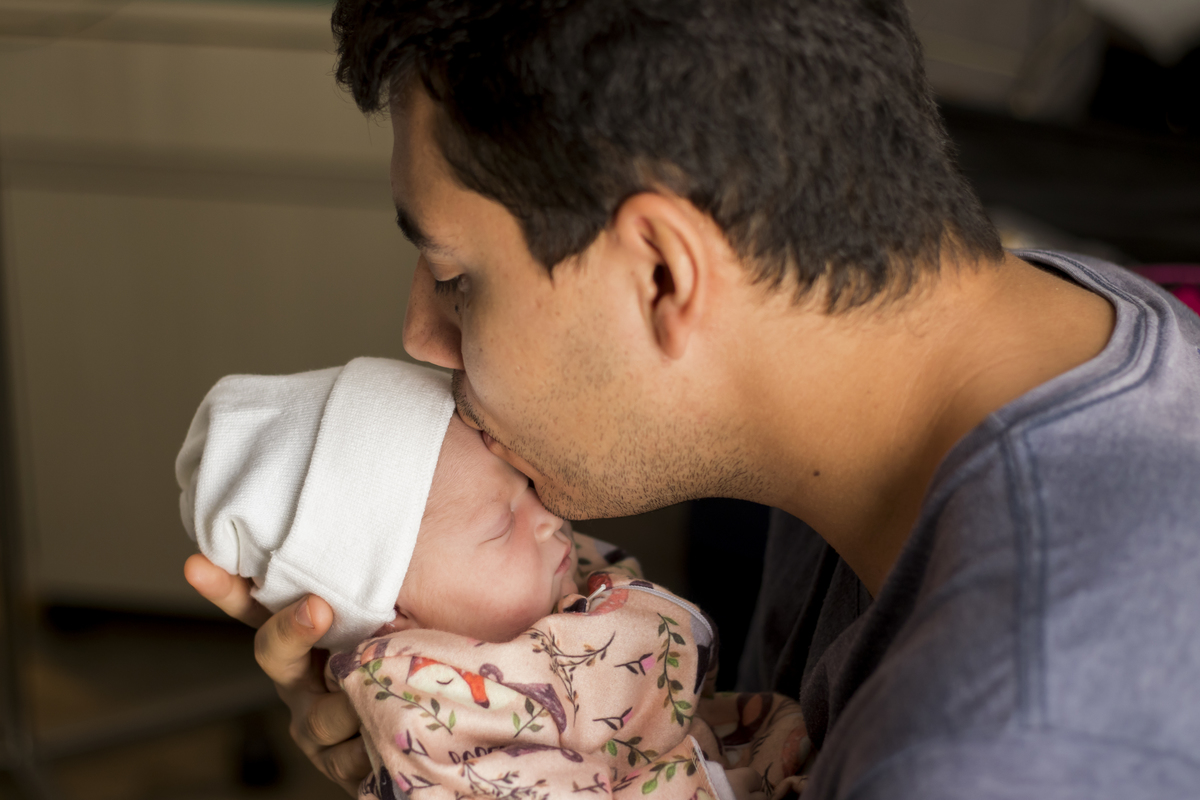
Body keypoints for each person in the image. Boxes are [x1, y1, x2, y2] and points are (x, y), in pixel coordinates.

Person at [184, 1, 1200, 797]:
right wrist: (473, 748)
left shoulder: (1008, 746)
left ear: (664, 274)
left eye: (456, 276)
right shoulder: (984, 353)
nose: (420, 335)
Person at [177, 357, 810, 800]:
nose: (549, 517)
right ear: (394, 616)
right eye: (502, 524)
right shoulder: (436, 710)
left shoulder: (546, 585)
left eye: (527, 485)